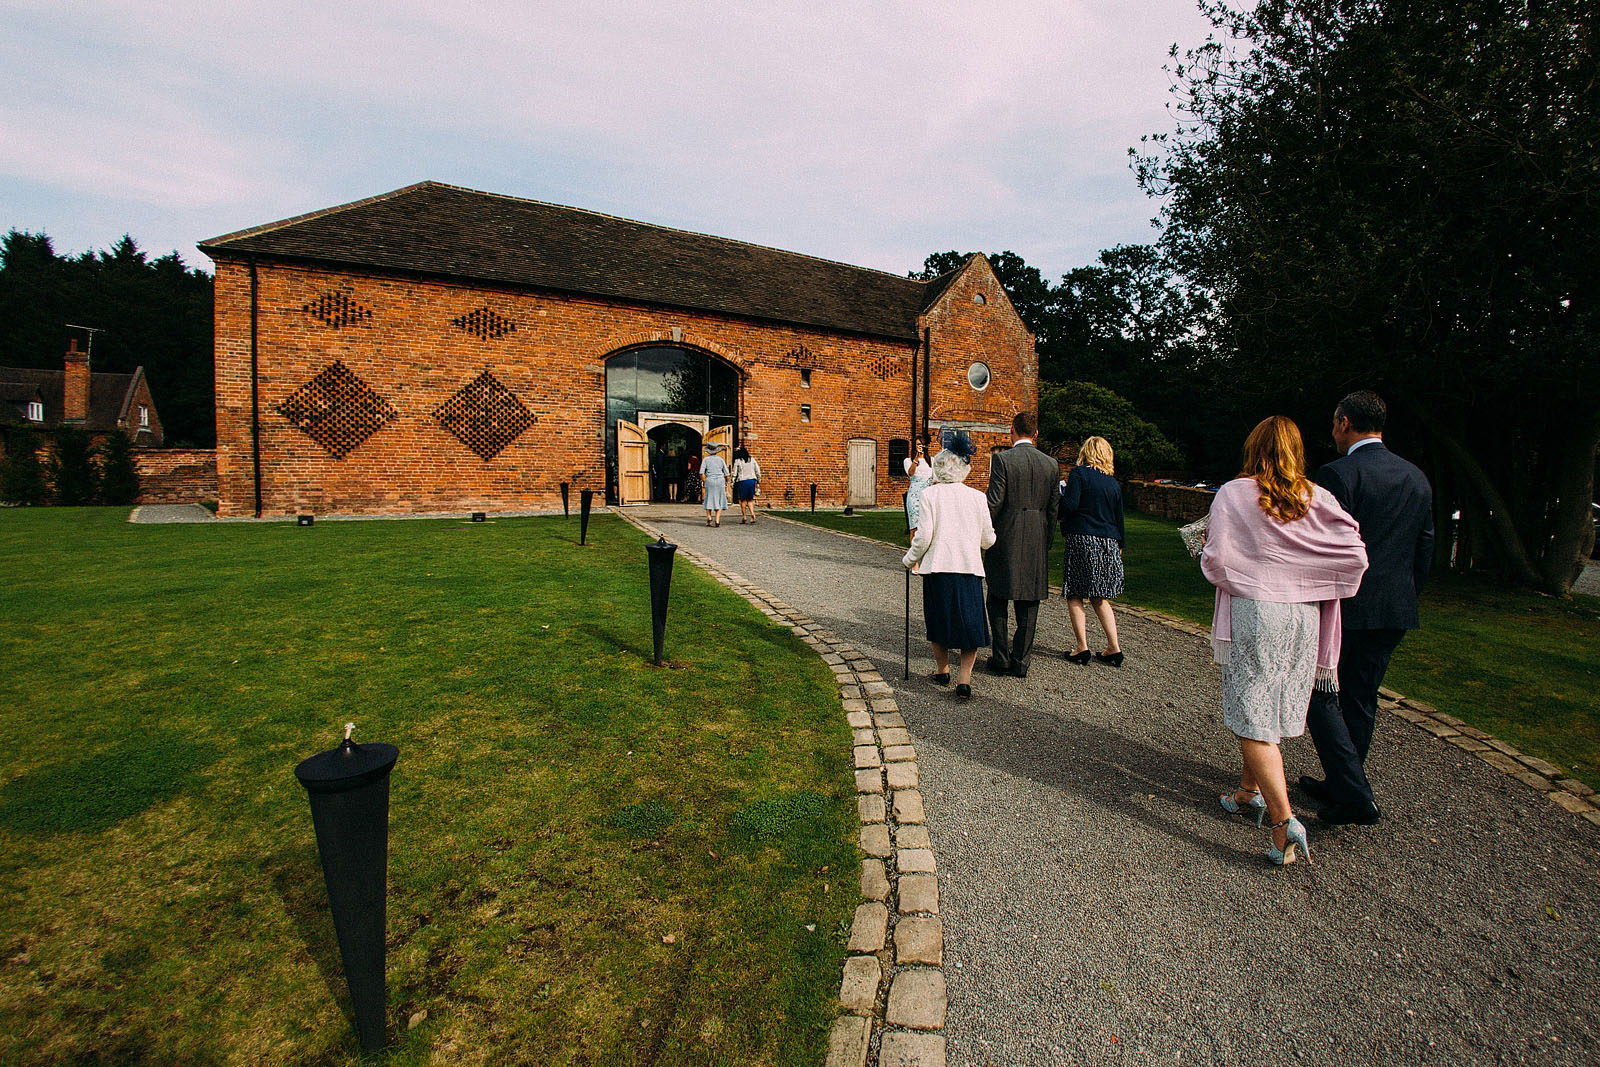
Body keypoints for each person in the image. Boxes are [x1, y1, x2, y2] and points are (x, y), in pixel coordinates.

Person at [1201, 416, 1368, 865]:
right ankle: (1245, 792)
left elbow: (1216, 558)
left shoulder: (1236, 493)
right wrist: (1306, 575)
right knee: (1270, 700)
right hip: (1305, 617)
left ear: (1253, 447)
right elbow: (1355, 554)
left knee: (1252, 709)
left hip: (1258, 609)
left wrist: (1248, 570)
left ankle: (1282, 823)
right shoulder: (1317, 496)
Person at [1300, 391, 1435, 825]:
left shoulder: (1339, 474)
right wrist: (1408, 594)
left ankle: (1355, 793)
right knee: (1360, 697)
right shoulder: (1415, 476)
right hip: (1395, 607)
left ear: (1344, 423)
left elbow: (1323, 545)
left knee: (1319, 693)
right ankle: (1341, 784)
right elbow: (1425, 546)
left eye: (1334, 424)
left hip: (1347, 606)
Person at [903, 431, 996, 702]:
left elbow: (924, 536)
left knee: (938, 620)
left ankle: (942, 670)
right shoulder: (978, 498)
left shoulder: (931, 495)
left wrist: (909, 560)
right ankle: (964, 678)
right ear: (964, 469)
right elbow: (988, 540)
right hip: (968, 568)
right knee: (970, 625)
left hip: (937, 567)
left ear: (939, 469)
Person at [984, 413, 1060, 678]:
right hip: (1036, 539)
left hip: (1005, 537)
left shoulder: (1002, 460)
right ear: (1036, 433)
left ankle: (1001, 657)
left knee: (997, 596)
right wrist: (1046, 541)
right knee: (1029, 602)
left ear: (1011, 430)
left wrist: (982, 534)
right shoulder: (1051, 464)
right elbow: (1053, 510)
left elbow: (994, 503)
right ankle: (1021, 661)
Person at [1058, 436, 1126, 666]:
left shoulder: (1079, 474)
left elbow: (1070, 505)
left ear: (1086, 452)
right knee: (1099, 596)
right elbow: (1119, 518)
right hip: (1108, 542)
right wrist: (1120, 545)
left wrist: (1059, 498)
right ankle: (1113, 647)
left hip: (1082, 538)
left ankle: (1081, 646)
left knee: (1075, 592)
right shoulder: (1112, 483)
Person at [904, 437, 934, 536]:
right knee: (914, 526)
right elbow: (910, 474)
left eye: (922, 444)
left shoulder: (932, 461)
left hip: (928, 496)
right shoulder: (908, 461)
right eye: (918, 444)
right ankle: (913, 550)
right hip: (914, 496)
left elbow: (936, 479)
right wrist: (916, 458)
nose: (920, 446)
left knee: (929, 526)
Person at [700, 443, 729, 527]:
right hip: (720, 480)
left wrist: (704, 480)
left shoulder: (705, 460)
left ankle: (709, 517)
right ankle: (717, 519)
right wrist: (727, 481)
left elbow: (701, 472)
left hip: (710, 480)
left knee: (709, 498)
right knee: (719, 499)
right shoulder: (721, 460)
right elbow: (726, 473)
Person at [731, 446, 762, 524]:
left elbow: (734, 472)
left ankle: (744, 517)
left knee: (743, 500)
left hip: (742, 481)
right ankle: (752, 514)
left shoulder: (738, 461)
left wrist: (732, 482)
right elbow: (757, 470)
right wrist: (758, 480)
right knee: (750, 499)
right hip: (752, 481)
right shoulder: (752, 460)